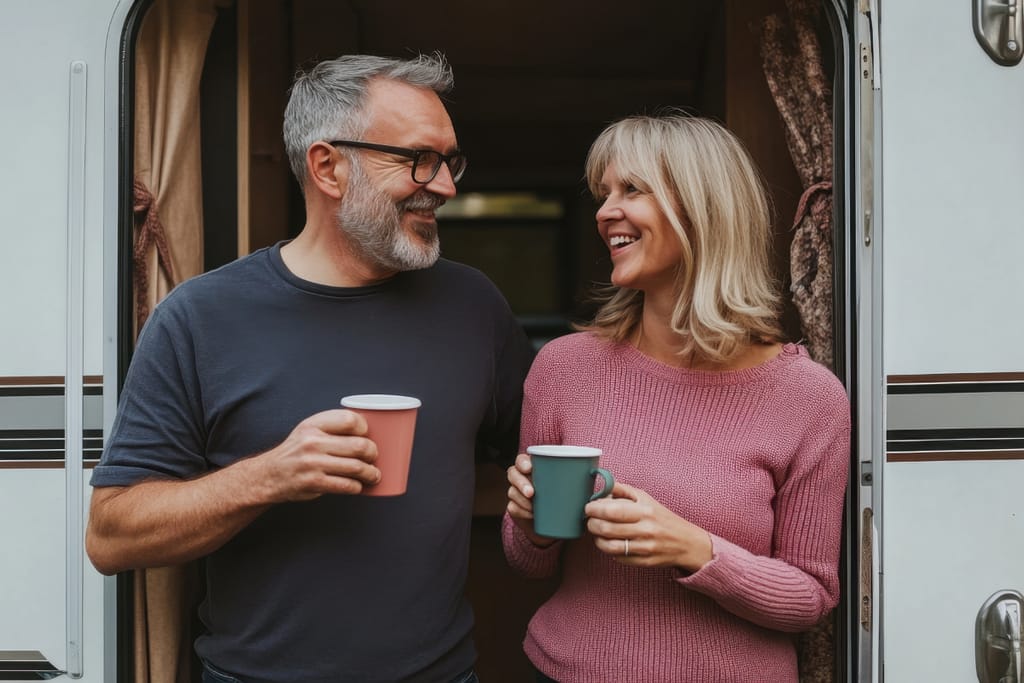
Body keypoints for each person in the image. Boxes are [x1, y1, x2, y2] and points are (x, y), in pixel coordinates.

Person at [86, 53, 533, 683]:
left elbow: (533, 460)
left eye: (449, 161)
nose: (446, 185)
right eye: (418, 160)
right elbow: (111, 536)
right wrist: (270, 476)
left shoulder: (473, 306)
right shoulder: (200, 317)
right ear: (328, 167)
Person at [503, 114, 850, 683]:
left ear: (702, 209)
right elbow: (528, 563)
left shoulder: (807, 398)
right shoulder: (564, 368)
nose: (604, 211)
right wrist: (532, 524)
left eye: (631, 190)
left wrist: (696, 549)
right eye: (604, 193)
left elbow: (810, 596)